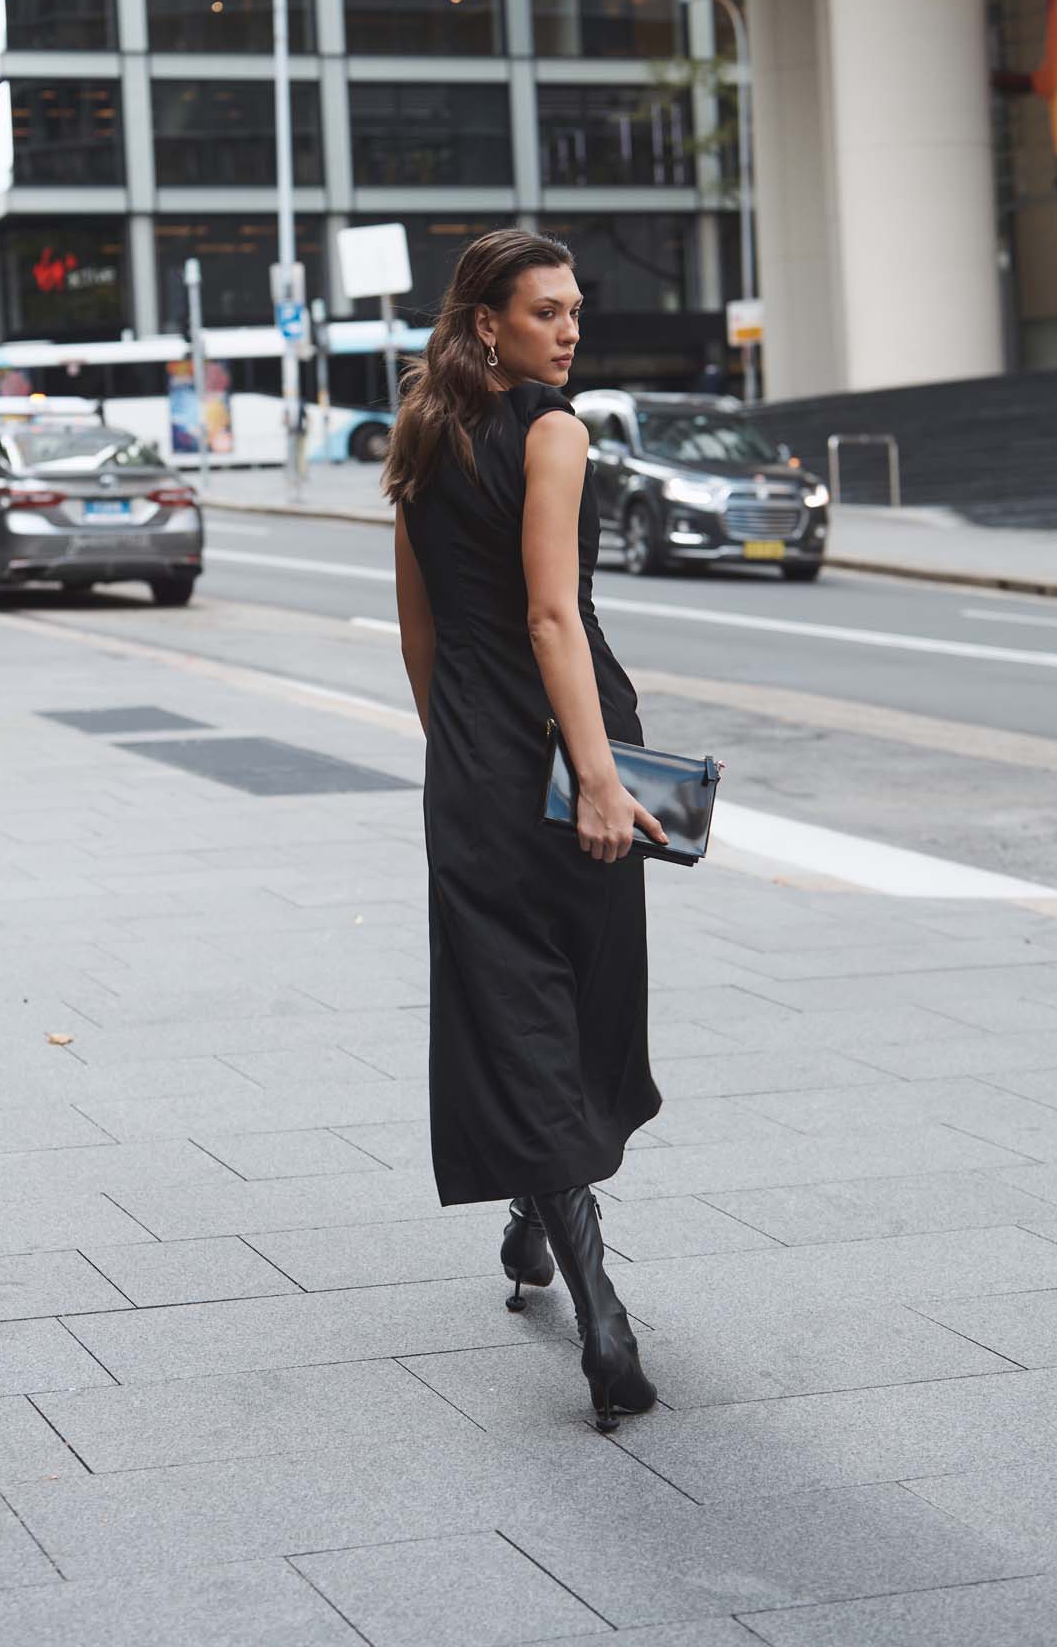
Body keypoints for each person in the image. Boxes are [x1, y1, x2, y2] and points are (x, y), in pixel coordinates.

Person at [385, 228, 665, 1431]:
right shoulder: (556, 433)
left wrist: (459, 756)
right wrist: (596, 777)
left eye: (575, 310)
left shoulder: (418, 438)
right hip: (568, 756)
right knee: (585, 1006)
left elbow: (420, 639)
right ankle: (602, 1317)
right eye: (545, 311)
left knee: (516, 1015)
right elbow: (555, 618)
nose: (569, 329)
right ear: (485, 323)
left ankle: (533, 1218)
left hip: (474, 770)